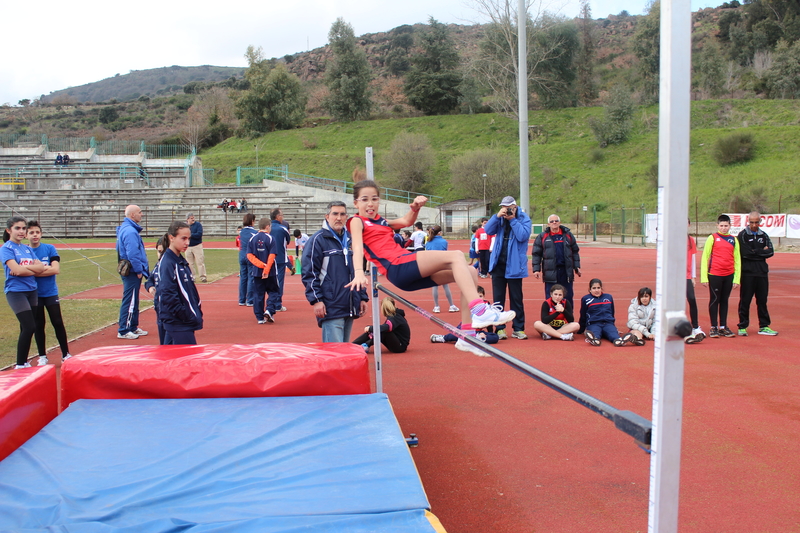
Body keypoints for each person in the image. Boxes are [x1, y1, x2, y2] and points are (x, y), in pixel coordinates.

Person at [345, 179, 515, 357]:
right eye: (364, 199)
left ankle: (466, 334)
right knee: (456, 255)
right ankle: (479, 310)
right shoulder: (357, 221)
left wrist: (415, 207)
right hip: (398, 265)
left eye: (375, 199)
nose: (370, 204)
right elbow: (357, 246)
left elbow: (405, 220)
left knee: (470, 271)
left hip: (405, 271)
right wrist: (358, 272)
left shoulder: (382, 221)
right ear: (356, 203)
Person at [301, 201, 368, 342]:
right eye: (335, 214)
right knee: (334, 353)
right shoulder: (317, 240)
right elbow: (309, 273)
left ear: (346, 217)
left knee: (344, 351)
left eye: (342, 214)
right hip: (331, 305)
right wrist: (317, 300)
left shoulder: (351, 239)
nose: (339, 218)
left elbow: (358, 271)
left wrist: (362, 296)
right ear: (327, 216)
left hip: (349, 304)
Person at [484, 196, 531, 340]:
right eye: (504, 207)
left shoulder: (524, 219)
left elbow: (523, 236)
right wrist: (496, 216)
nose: (506, 210)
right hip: (498, 264)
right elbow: (488, 230)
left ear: (515, 207)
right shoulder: (500, 219)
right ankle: (499, 328)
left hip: (515, 265)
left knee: (516, 298)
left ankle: (518, 328)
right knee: (498, 299)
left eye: (509, 207)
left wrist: (513, 220)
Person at [26, 221, 71, 365]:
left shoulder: (50, 249)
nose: (35, 235)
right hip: (34, 294)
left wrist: (36, 270)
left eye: (37, 232)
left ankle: (66, 354)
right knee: (39, 324)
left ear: (41, 234)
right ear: (26, 235)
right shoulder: (25, 252)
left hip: (50, 292)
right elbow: (27, 274)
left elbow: (55, 270)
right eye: (31, 233)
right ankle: (42, 356)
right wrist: (44, 269)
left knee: (57, 322)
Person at [3, 216, 45, 369]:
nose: (21, 231)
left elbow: (41, 268)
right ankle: (20, 364)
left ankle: (24, 361)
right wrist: (30, 269)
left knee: (25, 327)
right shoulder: (7, 249)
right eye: (17, 228)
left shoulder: (26, 249)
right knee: (29, 326)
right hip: (16, 292)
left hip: (32, 290)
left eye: (23, 228)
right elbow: (16, 270)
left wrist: (24, 270)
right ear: (9, 231)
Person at [154, 221, 203, 345]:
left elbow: (189, 290)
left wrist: (195, 310)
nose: (187, 243)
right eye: (183, 238)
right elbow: (168, 294)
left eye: (189, 239)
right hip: (178, 322)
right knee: (188, 358)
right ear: (171, 238)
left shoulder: (180, 260)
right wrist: (186, 315)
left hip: (181, 321)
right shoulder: (168, 263)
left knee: (168, 355)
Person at [737, 211, 778, 336]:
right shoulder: (742, 235)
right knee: (745, 300)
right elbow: (745, 253)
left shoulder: (764, 235)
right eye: (752, 222)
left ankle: (764, 326)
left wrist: (755, 252)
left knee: (762, 300)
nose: (754, 225)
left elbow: (770, 252)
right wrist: (761, 252)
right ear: (748, 222)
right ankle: (742, 326)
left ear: (760, 222)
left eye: (756, 222)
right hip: (747, 273)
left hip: (762, 272)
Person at [700, 214, 741, 338]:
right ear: (717, 225)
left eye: (726, 226)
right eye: (721, 226)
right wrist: (704, 277)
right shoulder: (712, 238)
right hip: (715, 274)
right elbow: (705, 257)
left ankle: (723, 326)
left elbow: (737, 259)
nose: (724, 228)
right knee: (714, 300)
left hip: (729, 275)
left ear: (730, 226)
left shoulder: (734, 239)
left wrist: (737, 278)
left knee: (724, 300)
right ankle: (713, 327)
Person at [531, 214, 582, 307]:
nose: (554, 223)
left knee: (568, 296)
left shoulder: (568, 235)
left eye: (556, 221)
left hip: (566, 272)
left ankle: (568, 318)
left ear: (560, 222)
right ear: (548, 224)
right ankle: (551, 318)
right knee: (551, 297)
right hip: (550, 272)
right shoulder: (542, 237)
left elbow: (575, 251)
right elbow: (536, 254)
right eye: (551, 221)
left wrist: (577, 266)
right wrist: (536, 269)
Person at [116, 205, 149, 340]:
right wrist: (138, 269)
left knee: (134, 299)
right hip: (132, 270)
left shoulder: (127, 229)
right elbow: (132, 253)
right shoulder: (130, 231)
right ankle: (124, 329)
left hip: (130, 269)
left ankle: (133, 326)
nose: (142, 214)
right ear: (132, 215)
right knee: (130, 300)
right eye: (139, 212)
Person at [431, 286, 499, 346]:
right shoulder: (469, 305)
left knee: (495, 337)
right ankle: (443, 338)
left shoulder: (486, 306)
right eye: (476, 297)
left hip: (477, 332)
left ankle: (477, 338)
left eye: (480, 296)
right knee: (457, 334)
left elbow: (489, 321)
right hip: (465, 329)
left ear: (484, 296)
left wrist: (489, 333)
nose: (479, 298)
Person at [579, 278, 634, 347]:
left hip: (608, 323)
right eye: (594, 288)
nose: (596, 290)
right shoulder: (586, 299)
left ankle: (619, 341)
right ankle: (594, 340)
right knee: (595, 333)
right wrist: (581, 329)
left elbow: (612, 312)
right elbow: (583, 314)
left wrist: (613, 325)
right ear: (590, 289)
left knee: (612, 333)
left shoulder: (608, 297)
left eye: (598, 288)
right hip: (594, 323)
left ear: (601, 288)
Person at [247, 217, 280, 324]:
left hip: (257, 272)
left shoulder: (252, 239)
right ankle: (269, 310)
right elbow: (272, 255)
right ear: (267, 226)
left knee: (258, 294)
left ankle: (259, 317)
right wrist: (266, 269)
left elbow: (249, 256)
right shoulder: (270, 238)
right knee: (274, 291)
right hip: (270, 272)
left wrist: (260, 265)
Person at [425, 225, 459, 313]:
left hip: (432, 266)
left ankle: (436, 306)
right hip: (442, 265)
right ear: (440, 233)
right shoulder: (444, 242)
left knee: (434, 286)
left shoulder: (428, 242)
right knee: (446, 286)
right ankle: (451, 305)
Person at [685, 220, 705, 344]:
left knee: (692, 299)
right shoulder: (671, 239)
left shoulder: (690, 239)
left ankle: (695, 327)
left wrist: (693, 276)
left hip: (686, 276)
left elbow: (692, 258)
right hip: (674, 277)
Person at [145, 236, 167, 345]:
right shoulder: (157, 266)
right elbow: (149, 279)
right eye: (159, 252)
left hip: (170, 310)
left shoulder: (175, 266)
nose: (161, 255)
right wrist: (150, 287)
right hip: (159, 307)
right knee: (162, 341)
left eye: (163, 252)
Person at [269, 208, 291, 312]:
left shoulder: (267, 228)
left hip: (268, 259)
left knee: (268, 281)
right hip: (280, 258)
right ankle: (277, 304)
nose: (283, 217)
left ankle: (269, 303)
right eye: (282, 215)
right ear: (277, 217)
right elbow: (287, 241)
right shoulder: (283, 229)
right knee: (279, 281)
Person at [238, 214, 258, 307]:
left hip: (242, 255)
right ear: (252, 221)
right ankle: (250, 300)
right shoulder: (254, 232)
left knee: (243, 277)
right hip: (250, 255)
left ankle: (242, 299)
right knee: (251, 277)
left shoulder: (241, 232)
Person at [185, 213, 207, 283]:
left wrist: (190, 235)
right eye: (191, 218)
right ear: (187, 219)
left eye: (193, 217)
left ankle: (203, 277)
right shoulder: (184, 226)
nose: (193, 219)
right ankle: (192, 277)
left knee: (200, 262)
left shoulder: (198, 225)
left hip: (197, 245)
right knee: (189, 263)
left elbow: (199, 234)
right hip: (188, 246)